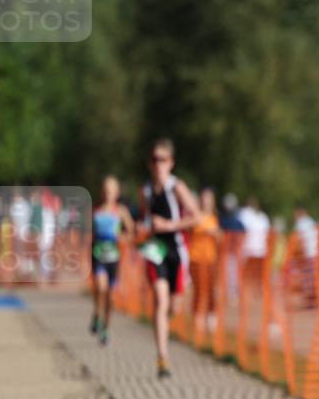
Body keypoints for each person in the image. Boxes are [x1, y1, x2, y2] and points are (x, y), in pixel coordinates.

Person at [139, 138, 199, 378]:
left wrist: (168, 225)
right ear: (149, 163)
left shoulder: (177, 187)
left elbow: (196, 217)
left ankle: (163, 325)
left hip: (177, 249)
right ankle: (162, 357)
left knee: (173, 306)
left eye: (162, 160)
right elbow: (144, 218)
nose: (158, 164)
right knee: (160, 300)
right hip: (155, 250)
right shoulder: (145, 190)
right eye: (154, 160)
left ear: (171, 163)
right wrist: (143, 228)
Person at [90, 176, 135, 345]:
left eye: (111, 192)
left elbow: (131, 232)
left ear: (117, 193)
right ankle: (97, 314)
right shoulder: (96, 211)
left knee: (110, 297)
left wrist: (122, 237)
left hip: (114, 258)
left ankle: (106, 327)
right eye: (106, 191)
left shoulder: (121, 211)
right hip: (98, 256)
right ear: (102, 193)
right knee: (100, 288)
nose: (108, 195)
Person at [188, 187, 222, 335]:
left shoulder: (214, 218)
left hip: (210, 259)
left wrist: (215, 233)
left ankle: (210, 317)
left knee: (211, 289)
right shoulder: (194, 217)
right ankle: (197, 318)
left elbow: (220, 238)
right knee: (198, 289)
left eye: (209, 198)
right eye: (204, 198)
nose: (206, 201)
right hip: (195, 258)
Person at [293, 205, 318, 307]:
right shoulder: (311, 221)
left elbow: (299, 241)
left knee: (308, 279)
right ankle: (314, 301)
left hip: (308, 254)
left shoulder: (301, 223)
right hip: (316, 254)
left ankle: (310, 302)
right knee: (313, 278)